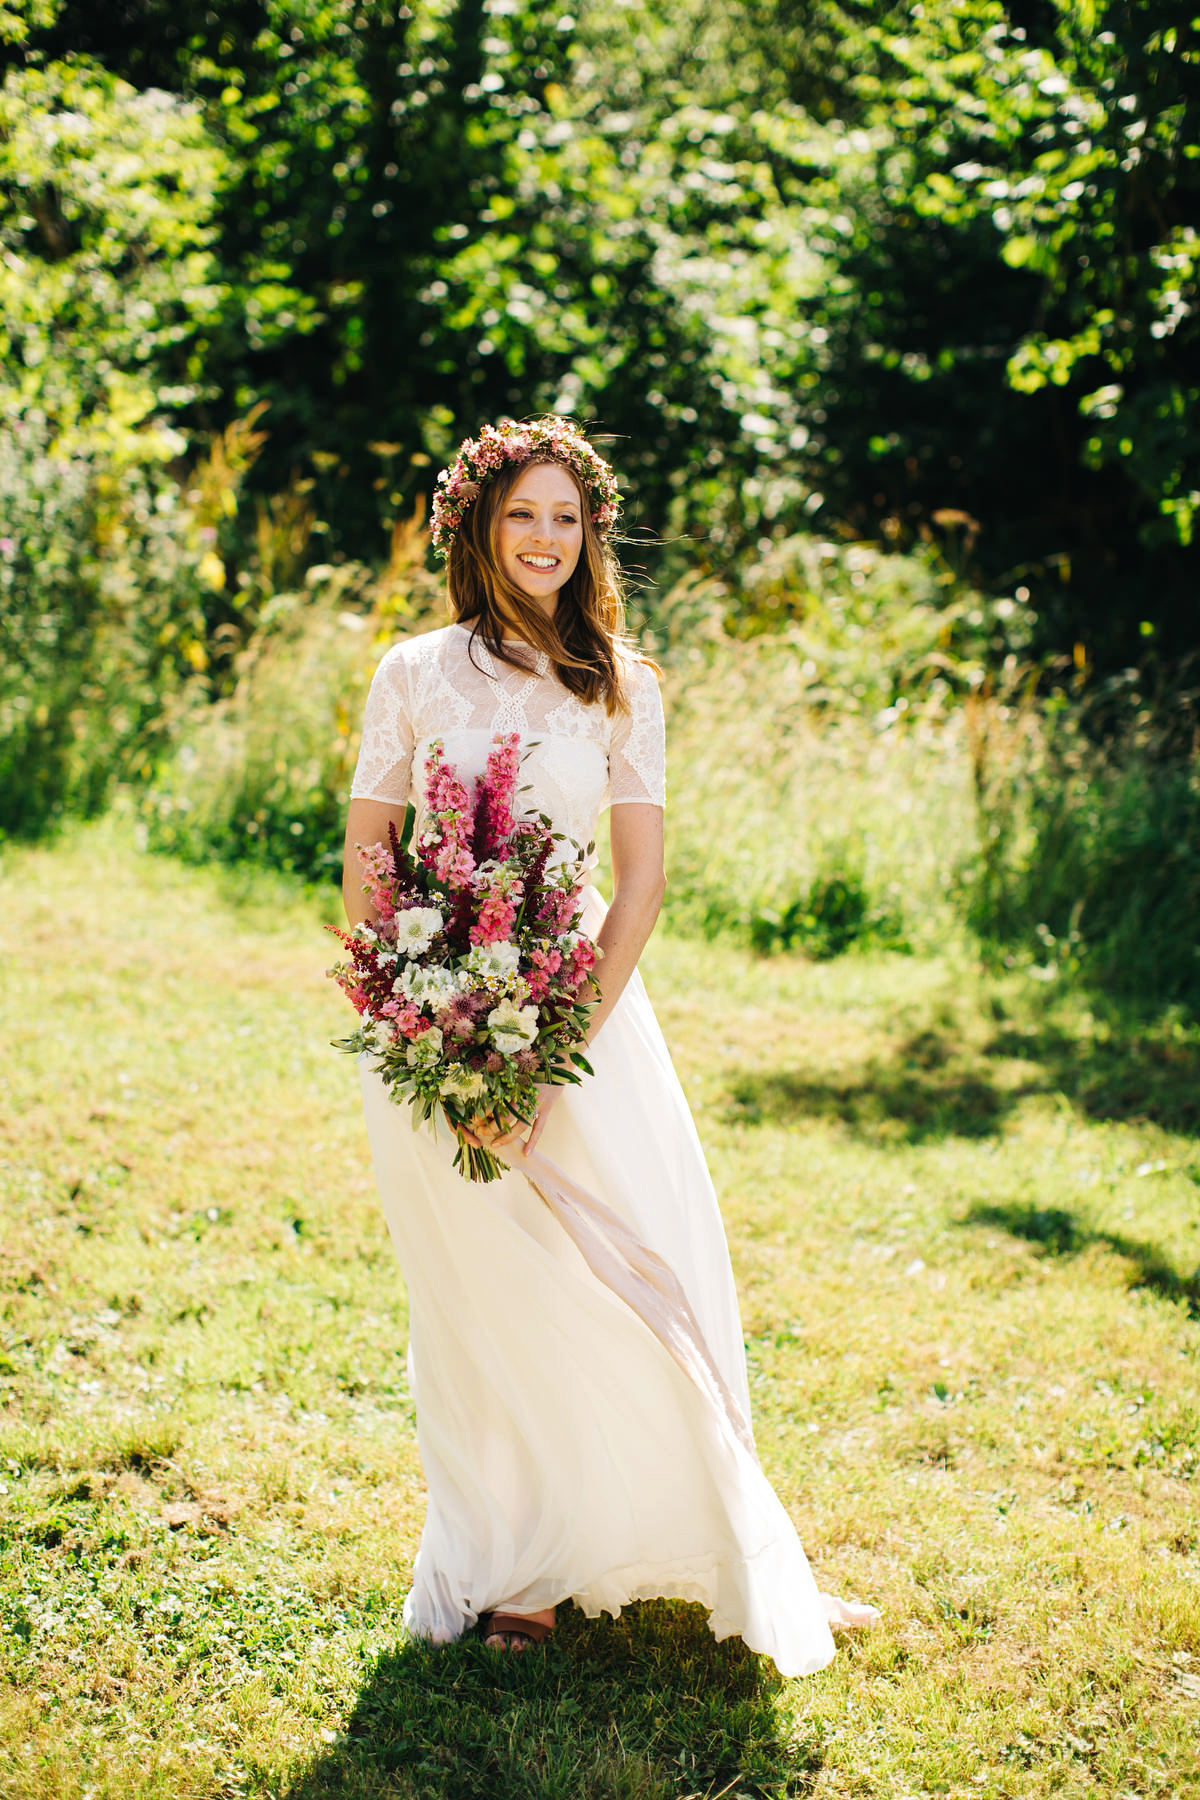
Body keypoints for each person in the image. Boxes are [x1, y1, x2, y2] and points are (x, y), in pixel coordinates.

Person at [342, 416, 878, 1669]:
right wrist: (429, 1029)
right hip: (434, 1012)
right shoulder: (412, 673)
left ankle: (689, 1535)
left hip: (582, 1012)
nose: (543, 538)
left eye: (566, 518)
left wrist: (551, 1045)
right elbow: (370, 853)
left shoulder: (624, 680)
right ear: (478, 525)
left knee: (630, 1278)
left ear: (591, 536)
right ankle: (518, 1568)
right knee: (483, 1294)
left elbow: (636, 883)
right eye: (522, 514)